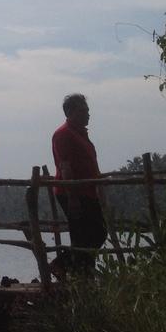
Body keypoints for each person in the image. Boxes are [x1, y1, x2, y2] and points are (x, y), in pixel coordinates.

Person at [51, 93, 108, 277]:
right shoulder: (63, 134)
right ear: (71, 112)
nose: (88, 114)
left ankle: (80, 271)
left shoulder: (81, 134)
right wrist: (72, 197)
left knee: (97, 233)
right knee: (84, 235)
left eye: (87, 111)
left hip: (88, 192)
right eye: (83, 111)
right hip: (73, 192)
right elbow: (65, 166)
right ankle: (66, 268)